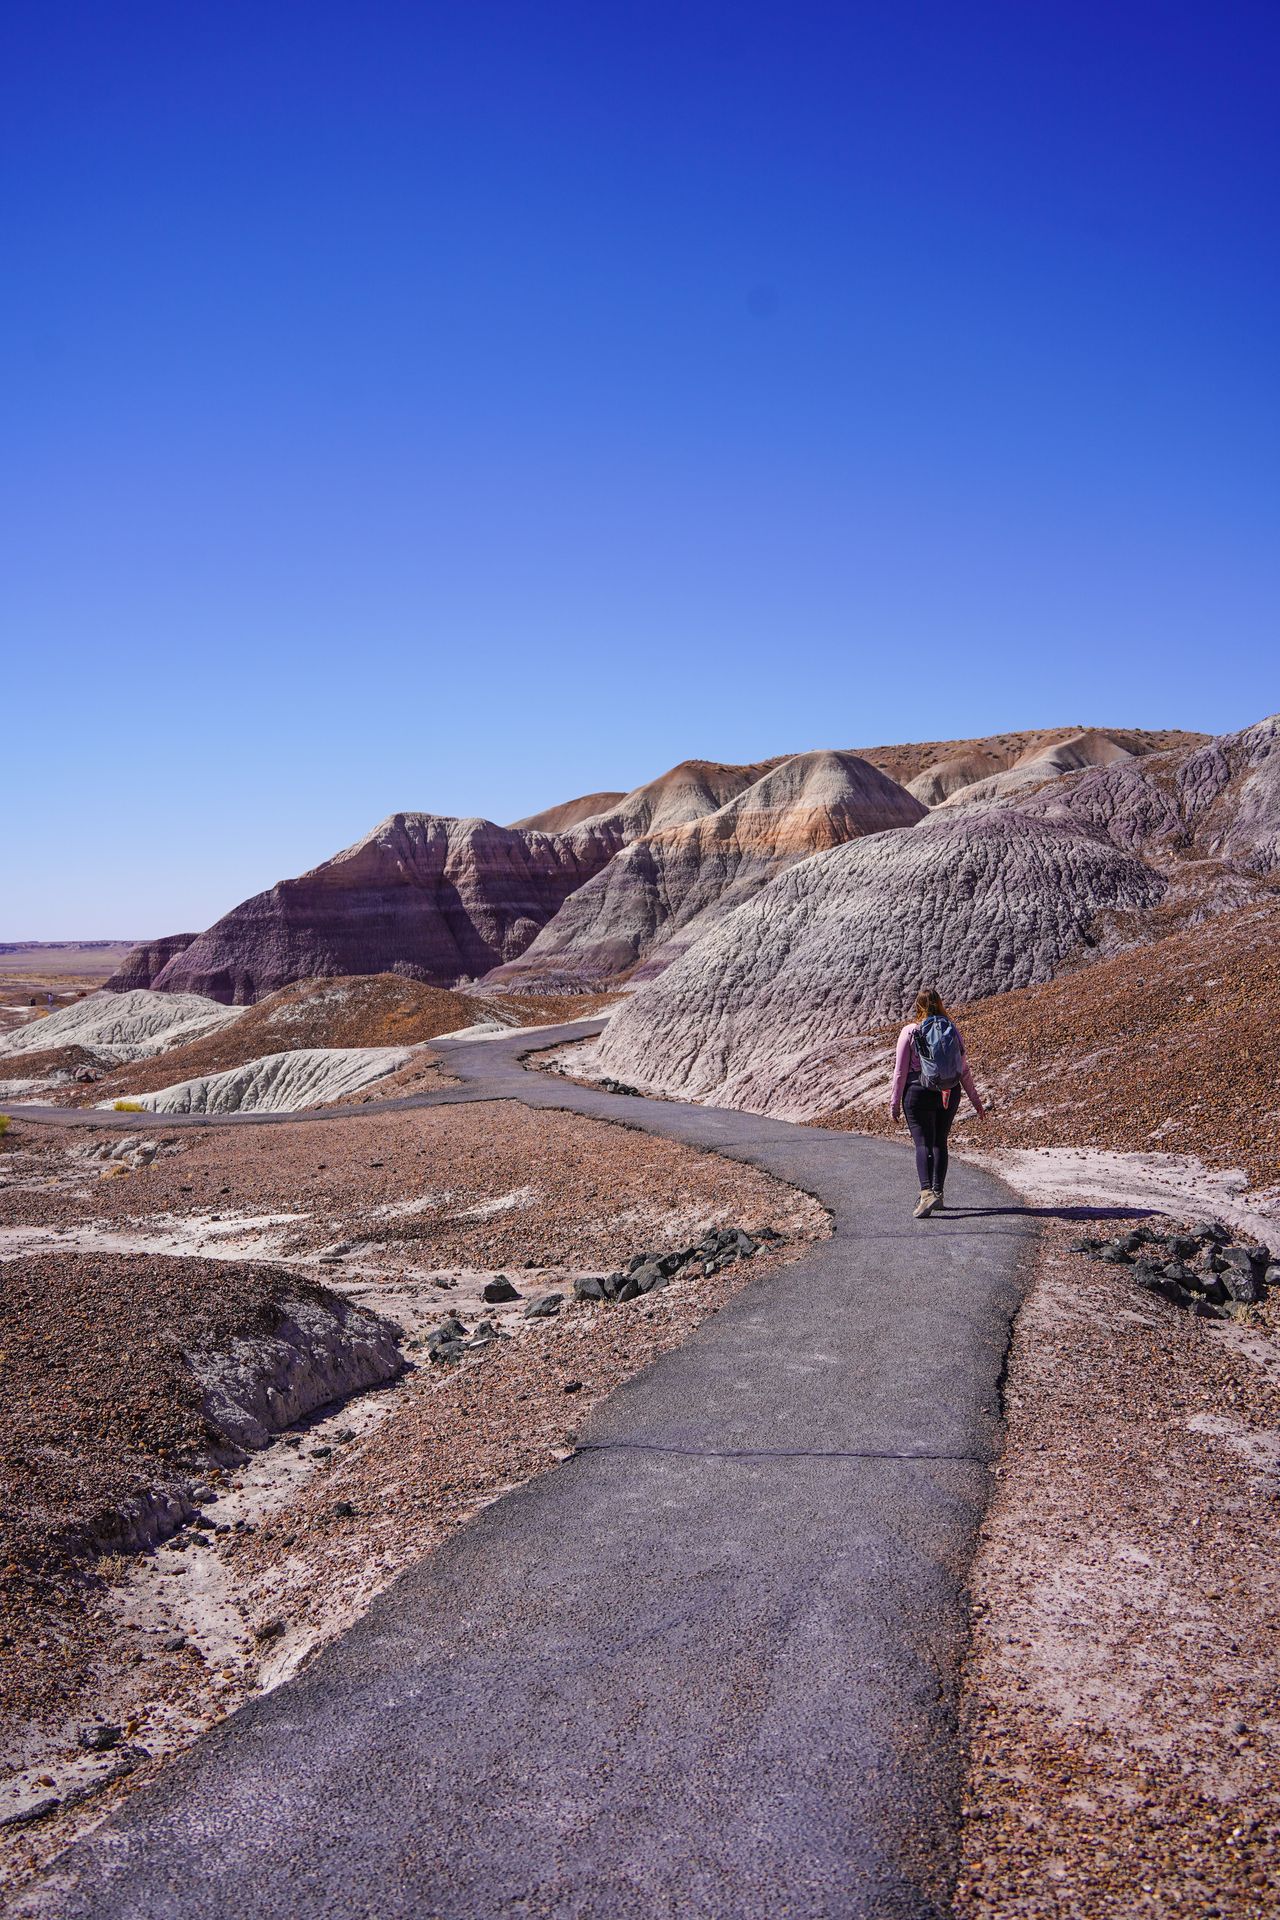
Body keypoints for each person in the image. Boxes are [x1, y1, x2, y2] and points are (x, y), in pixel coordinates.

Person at [889, 989, 987, 1218]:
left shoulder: (910, 1031)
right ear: (940, 1004)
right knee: (940, 1141)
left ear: (918, 1006)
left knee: (923, 1142)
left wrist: (894, 1104)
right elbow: (963, 1069)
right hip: (949, 1092)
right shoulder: (951, 1029)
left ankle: (926, 1194)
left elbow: (900, 1072)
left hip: (918, 1092)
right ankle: (938, 1194)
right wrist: (976, 1101)